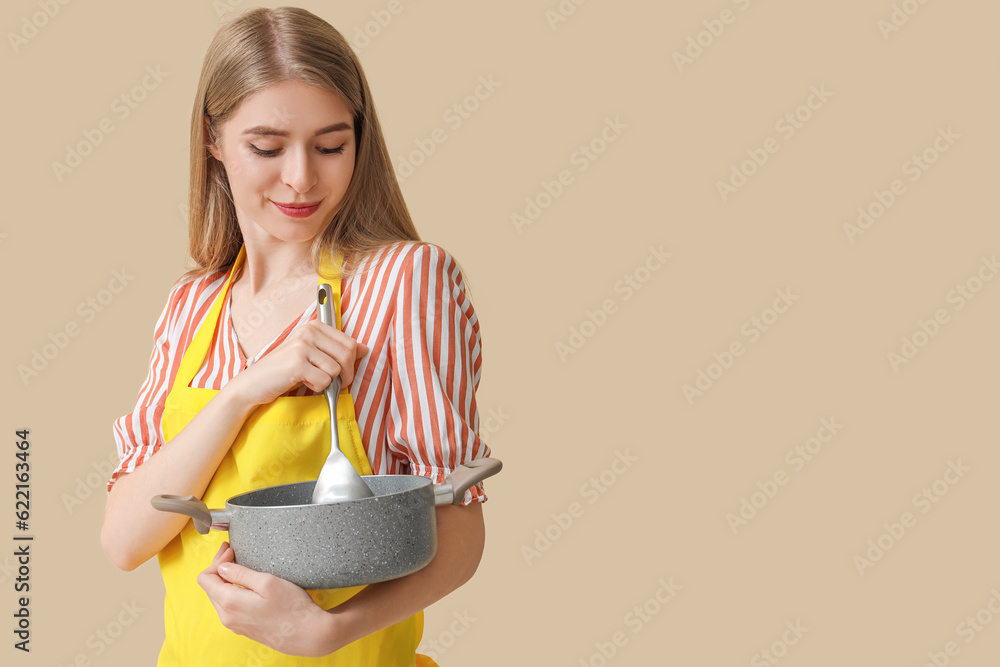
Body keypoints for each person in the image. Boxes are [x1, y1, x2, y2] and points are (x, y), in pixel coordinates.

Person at [99, 7, 492, 665]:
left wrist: (326, 632)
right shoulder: (191, 306)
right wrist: (242, 393)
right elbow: (125, 540)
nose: (302, 178)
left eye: (331, 144)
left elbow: (460, 529)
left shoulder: (403, 280)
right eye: (267, 145)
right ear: (213, 140)